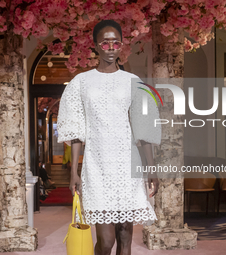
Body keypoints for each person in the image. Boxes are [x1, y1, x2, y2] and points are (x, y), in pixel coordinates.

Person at [57, 20, 161, 255]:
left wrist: (151, 169)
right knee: (106, 241)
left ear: (121, 45)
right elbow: (76, 132)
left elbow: (143, 130)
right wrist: (75, 171)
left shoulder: (133, 82)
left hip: (128, 165)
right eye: (105, 42)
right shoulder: (81, 82)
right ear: (96, 45)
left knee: (125, 236)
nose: (111, 47)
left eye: (116, 42)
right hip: (97, 166)